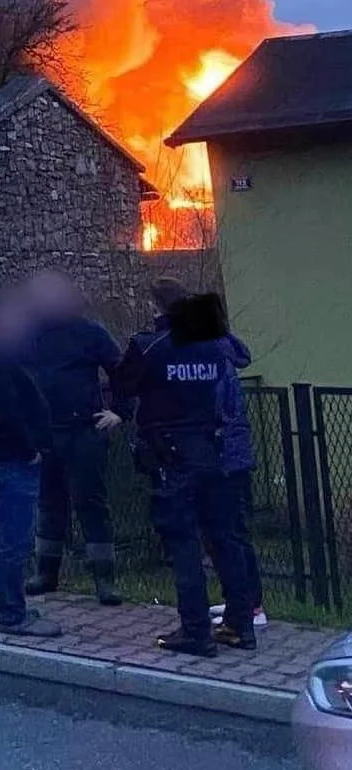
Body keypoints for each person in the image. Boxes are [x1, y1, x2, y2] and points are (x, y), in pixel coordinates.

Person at [113, 280, 256, 657]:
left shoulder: (150, 345)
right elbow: (239, 358)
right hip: (218, 452)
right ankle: (241, 625)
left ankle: (196, 631)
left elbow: (124, 384)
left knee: (184, 545)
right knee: (226, 540)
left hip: (173, 456)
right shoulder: (214, 344)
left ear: (157, 308)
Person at [22, 272, 127, 606]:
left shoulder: (89, 333)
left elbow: (122, 371)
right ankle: (46, 573)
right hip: (44, 433)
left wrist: (119, 412)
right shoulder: (29, 335)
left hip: (84, 431)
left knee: (91, 503)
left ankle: (104, 579)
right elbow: (12, 377)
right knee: (49, 503)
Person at [0, 292, 61, 637]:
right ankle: (11, 611)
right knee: (16, 536)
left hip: (8, 454)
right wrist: (29, 448)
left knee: (10, 531)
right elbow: (4, 411)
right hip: (12, 456)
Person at [213, 335, 268, 632]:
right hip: (232, 453)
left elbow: (216, 406)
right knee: (232, 531)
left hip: (224, 455)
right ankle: (242, 600)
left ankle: (249, 605)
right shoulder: (222, 352)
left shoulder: (213, 357)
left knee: (230, 533)